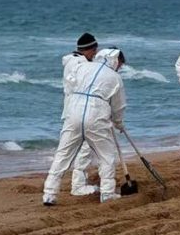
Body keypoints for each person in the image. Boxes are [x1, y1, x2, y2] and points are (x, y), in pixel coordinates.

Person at [43, 47, 128, 206]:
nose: (119, 68)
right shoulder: (115, 78)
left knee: (63, 154)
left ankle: (49, 193)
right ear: (116, 61)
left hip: (73, 110)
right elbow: (118, 106)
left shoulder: (82, 66)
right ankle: (108, 193)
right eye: (120, 65)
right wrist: (118, 123)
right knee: (106, 155)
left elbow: (69, 84)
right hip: (97, 114)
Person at [63, 32, 100, 196]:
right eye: (94, 50)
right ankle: (78, 186)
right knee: (84, 148)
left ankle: (78, 181)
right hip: (79, 112)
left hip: (73, 112)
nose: (96, 54)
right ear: (88, 50)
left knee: (78, 149)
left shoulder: (74, 62)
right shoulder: (78, 65)